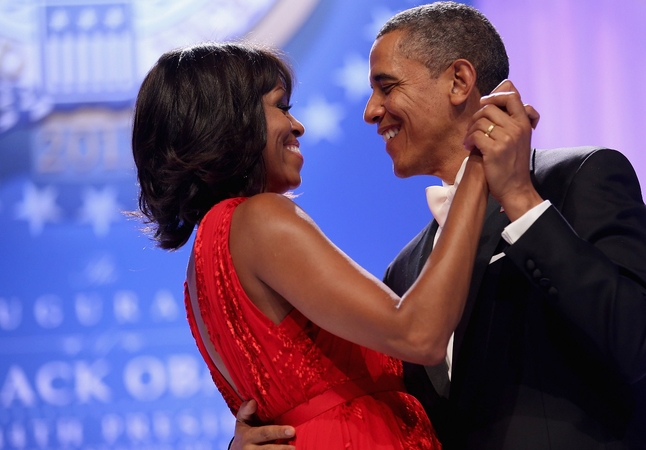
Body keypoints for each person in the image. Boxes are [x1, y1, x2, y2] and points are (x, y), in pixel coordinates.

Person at [233, 1, 646, 449]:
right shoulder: (406, 271)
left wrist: (520, 199)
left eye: (387, 87)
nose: (370, 110)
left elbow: (634, 339)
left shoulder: (578, 178)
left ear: (459, 82)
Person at [131, 41, 495, 450]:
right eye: (281, 107)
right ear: (229, 121)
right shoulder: (257, 219)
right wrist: (478, 166)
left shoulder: (204, 264)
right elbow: (418, 334)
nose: (297, 125)